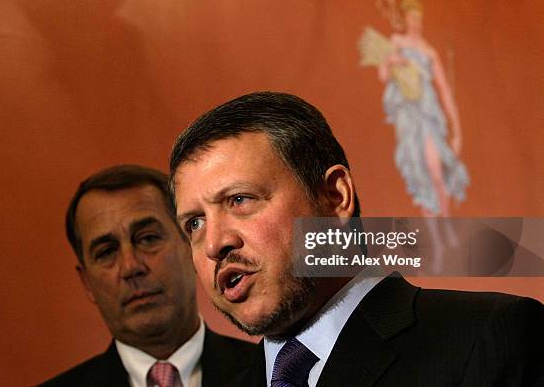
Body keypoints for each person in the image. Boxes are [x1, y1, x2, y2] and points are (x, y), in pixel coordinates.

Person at [169, 92, 543, 386]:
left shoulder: (486, 337)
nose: (215, 243)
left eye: (240, 200)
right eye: (195, 224)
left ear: (336, 197)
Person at [41, 165, 255, 386]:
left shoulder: (273, 375)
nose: (131, 267)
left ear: (191, 246)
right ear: (87, 283)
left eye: (148, 239)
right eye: (106, 252)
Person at [377, 0, 469, 217]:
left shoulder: (429, 52)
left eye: (418, 18)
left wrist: (457, 130)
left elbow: (445, 91)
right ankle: (434, 237)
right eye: (411, 18)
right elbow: (383, 74)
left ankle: (446, 223)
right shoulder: (397, 43)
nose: (415, 23)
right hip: (409, 116)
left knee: (436, 170)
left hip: (429, 114)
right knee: (419, 174)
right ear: (406, 18)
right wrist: (393, 60)